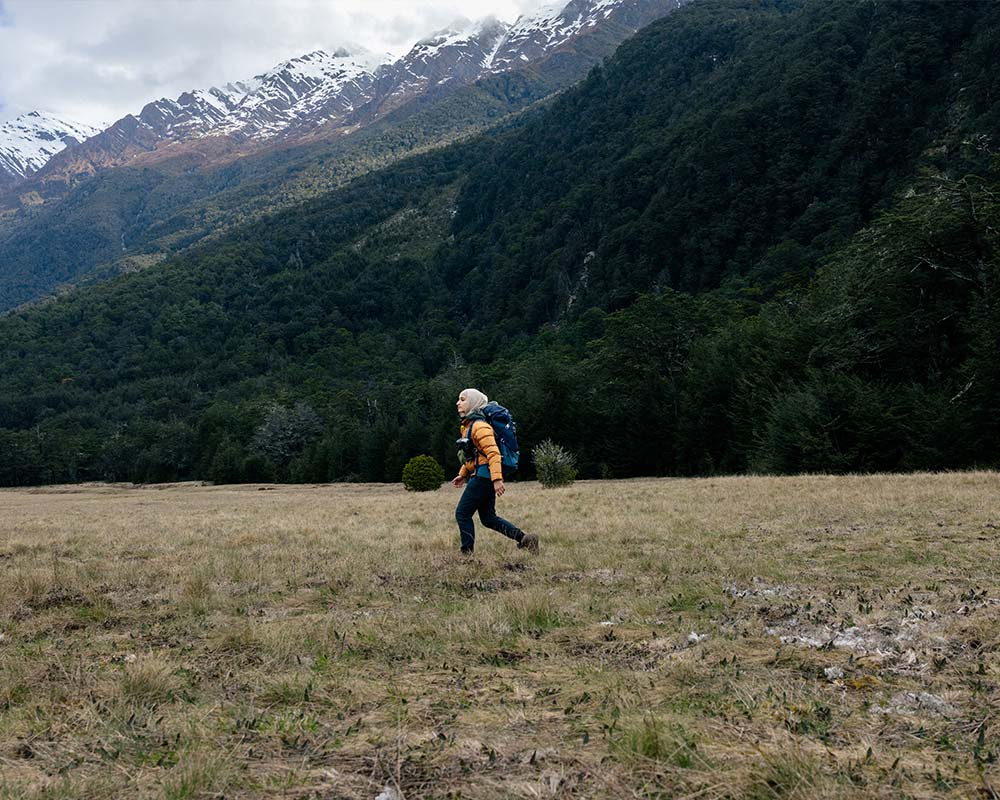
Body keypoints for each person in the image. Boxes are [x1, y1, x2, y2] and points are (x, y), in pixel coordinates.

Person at [451, 388, 539, 556]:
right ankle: (526, 539)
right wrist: (463, 473)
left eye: (462, 399)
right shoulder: (471, 426)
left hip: (485, 476)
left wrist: (497, 479)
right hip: (484, 474)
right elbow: (477, 457)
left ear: (474, 403)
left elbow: (493, 453)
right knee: (488, 518)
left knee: (462, 513)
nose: (458, 403)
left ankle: (466, 554)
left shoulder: (480, 426)